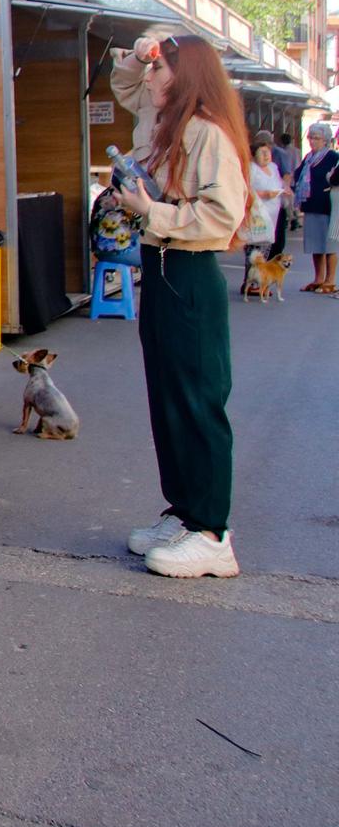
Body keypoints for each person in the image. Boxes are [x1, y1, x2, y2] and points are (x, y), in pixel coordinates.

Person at [110, 35, 250, 578]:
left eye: (159, 69)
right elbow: (125, 82)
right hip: (164, 270)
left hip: (190, 272)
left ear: (184, 74)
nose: (147, 79)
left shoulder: (206, 131)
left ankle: (213, 533)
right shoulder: (164, 116)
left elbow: (222, 216)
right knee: (168, 399)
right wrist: (141, 53)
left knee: (198, 402)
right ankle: (185, 513)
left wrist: (152, 212)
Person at [291, 122, 339, 293]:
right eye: (311, 138)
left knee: (329, 244)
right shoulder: (309, 158)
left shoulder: (332, 156)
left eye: (316, 138)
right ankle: (318, 278)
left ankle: (330, 280)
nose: (312, 141)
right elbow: (297, 175)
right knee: (315, 244)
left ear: (325, 140)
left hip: (327, 205)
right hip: (311, 205)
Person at [241, 138, 285, 293]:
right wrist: (265, 193)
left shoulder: (273, 167)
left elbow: (280, 183)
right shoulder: (251, 169)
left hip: (273, 213)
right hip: (258, 213)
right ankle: (250, 282)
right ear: (254, 155)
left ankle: (261, 280)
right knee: (255, 246)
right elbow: (246, 190)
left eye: (268, 152)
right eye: (262, 153)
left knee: (267, 247)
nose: (266, 156)